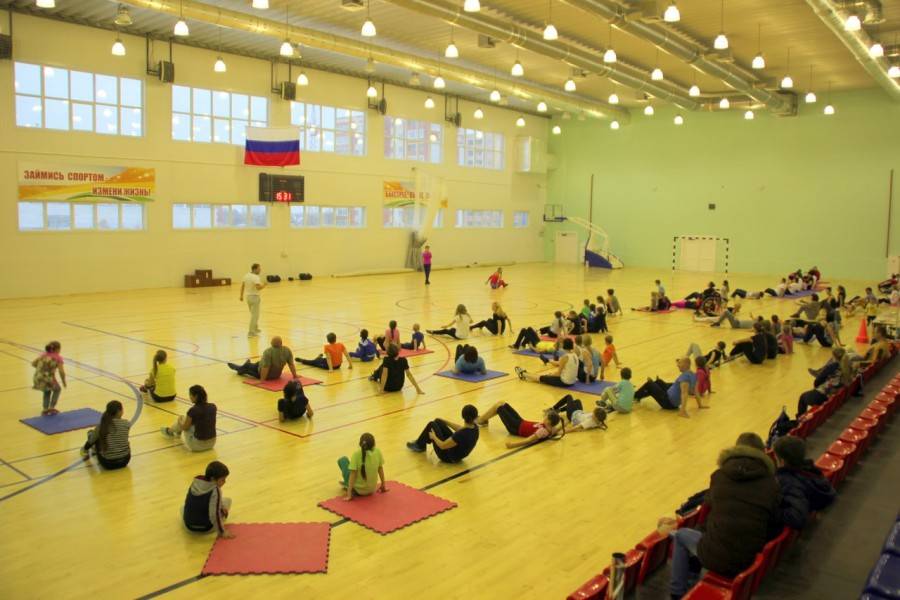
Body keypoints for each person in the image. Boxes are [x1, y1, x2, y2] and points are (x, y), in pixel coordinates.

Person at [666, 433, 780, 598]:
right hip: (750, 559)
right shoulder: (772, 484)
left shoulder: (719, 476)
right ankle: (690, 580)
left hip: (720, 557)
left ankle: (677, 593)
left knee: (681, 536)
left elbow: (708, 508)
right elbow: (774, 521)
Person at [773, 436, 836, 530]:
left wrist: (772, 511)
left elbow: (796, 518)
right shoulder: (811, 471)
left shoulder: (789, 482)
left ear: (782, 461)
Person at [406, 405, 479, 462]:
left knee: (431, 424)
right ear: (475, 416)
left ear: (462, 416)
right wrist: (445, 421)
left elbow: (442, 446)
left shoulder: (461, 434)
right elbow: (460, 428)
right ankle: (421, 444)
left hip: (447, 457)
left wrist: (433, 437)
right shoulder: (475, 428)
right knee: (438, 421)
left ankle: (420, 445)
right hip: (456, 453)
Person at [475, 401, 564, 448]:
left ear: (548, 421)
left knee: (498, 407)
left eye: (546, 417)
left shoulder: (542, 431)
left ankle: (480, 420)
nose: (544, 417)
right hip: (520, 421)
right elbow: (561, 429)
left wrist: (513, 445)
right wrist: (568, 424)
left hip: (515, 427)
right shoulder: (551, 428)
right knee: (502, 403)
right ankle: (483, 420)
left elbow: (529, 440)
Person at [634, 358, 702, 418]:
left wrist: (682, 411)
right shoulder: (692, 375)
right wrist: (700, 405)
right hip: (669, 395)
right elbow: (696, 391)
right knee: (658, 382)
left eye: (680, 363)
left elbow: (684, 394)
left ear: (686, 365)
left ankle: (634, 396)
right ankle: (647, 390)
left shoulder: (685, 378)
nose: (677, 365)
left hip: (668, 402)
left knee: (649, 384)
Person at [183, 461, 234, 539]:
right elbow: (214, 515)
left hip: (188, 526)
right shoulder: (215, 490)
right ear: (213, 479)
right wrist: (222, 532)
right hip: (206, 528)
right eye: (222, 479)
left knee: (182, 508)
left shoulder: (195, 482)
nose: (225, 482)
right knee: (228, 501)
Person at [160, 384, 217, 452]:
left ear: (196, 396)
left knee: (182, 419)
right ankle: (177, 432)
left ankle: (169, 431)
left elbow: (185, 428)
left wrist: (179, 421)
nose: (189, 397)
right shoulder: (213, 407)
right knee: (189, 421)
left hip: (197, 446)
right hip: (212, 443)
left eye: (190, 395)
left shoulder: (193, 410)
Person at [80, 400, 131, 470]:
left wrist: (85, 449)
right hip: (125, 460)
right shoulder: (126, 424)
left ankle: (90, 449)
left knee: (93, 435)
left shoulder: (102, 425)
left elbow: (91, 440)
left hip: (108, 463)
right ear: (120, 411)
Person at [338, 433, 387, 501]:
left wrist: (349, 493)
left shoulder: (356, 454)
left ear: (360, 444)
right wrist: (383, 485)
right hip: (372, 489)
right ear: (374, 444)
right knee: (353, 467)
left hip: (358, 491)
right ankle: (348, 484)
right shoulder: (378, 452)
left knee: (343, 460)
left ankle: (348, 485)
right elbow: (380, 469)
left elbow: (353, 474)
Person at [796, 348, 844, 416]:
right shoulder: (846, 365)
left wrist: (817, 387)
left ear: (834, 356)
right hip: (835, 392)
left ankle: (801, 418)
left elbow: (818, 380)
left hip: (825, 394)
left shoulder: (833, 366)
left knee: (803, 397)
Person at [515, 338, 579, 388]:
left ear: (564, 346)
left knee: (542, 377)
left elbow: (558, 374)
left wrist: (550, 375)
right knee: (549, 374)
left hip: (565, 382)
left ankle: (523, 374)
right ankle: (527, 373)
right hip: (573, 381)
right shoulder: (575, 355)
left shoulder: (565, 357)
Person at [227, 336, 298, 381]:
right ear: (281, 343)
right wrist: (295, 375)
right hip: (276, 375)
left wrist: (262, 380)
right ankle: (244, 366)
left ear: (271, 343)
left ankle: (238, 368)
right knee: (257, 363)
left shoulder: (268, 351)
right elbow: (291, 364)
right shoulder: (287, 350)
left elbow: (265, 367)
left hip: (265, 375)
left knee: (247, 367)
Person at [32, 340, 66, 416]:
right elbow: (61, 372)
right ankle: (51, 407)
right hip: (48, 378)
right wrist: (64, 382)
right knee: (57, 389)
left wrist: (41, 369)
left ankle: (45, 409)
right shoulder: (58, 358)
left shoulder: (43, 355)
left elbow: (33, 363)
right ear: (57, 349)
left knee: (47, 391)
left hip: (38, 377)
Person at [239, 263, 266, 337]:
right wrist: (264, 285)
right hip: (254, 297)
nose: (260, 270)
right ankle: (251, 332)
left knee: (253, 314)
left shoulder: (246, 275)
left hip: (248, 298)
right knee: (255, 316)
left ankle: (255, 329)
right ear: (255, 269)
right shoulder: (255, 277)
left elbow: (242, 286)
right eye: (259, 269)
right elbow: (258, 288)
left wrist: (241, 296)